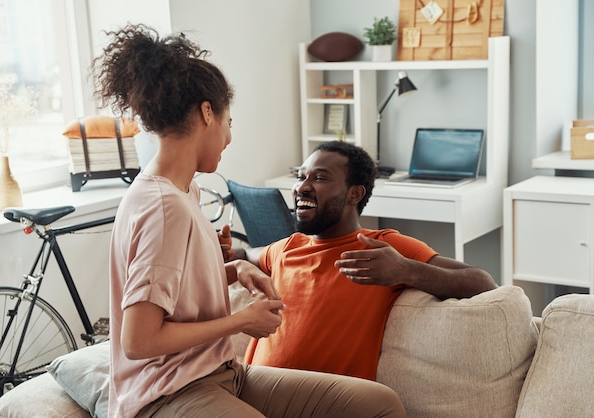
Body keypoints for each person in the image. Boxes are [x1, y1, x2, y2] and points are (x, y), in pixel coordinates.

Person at [96, 24, 405, 418]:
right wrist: (239, 321)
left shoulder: (183, 192)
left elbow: (172, 293)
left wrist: (234, 268)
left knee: (379, 404)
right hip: (167, 394)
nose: (228, 138)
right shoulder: (163, 207)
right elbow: (138, 339)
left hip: (220, 374)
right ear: (207, 112)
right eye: (229, 122)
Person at [228, 140, 498, 381]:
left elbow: (482, 282)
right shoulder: (287, 247)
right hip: (255, 389)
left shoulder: (382, 246)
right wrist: (233, 255)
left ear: (354, 194)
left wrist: (407, 271)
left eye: (320, 178)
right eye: (301, 176)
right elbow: (247, 254)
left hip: (331, 401)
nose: (302, 187)